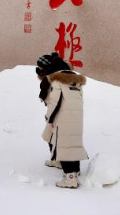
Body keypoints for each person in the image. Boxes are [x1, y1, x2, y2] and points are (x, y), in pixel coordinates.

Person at [36, 53, 88, 189]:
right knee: (72, 144)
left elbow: (54, 102)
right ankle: (73, 171)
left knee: (65, 145)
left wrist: (49, 117)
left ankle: (70, 178)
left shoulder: (56, 81)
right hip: (75, 119)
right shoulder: (75, 81)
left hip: (62, 118)